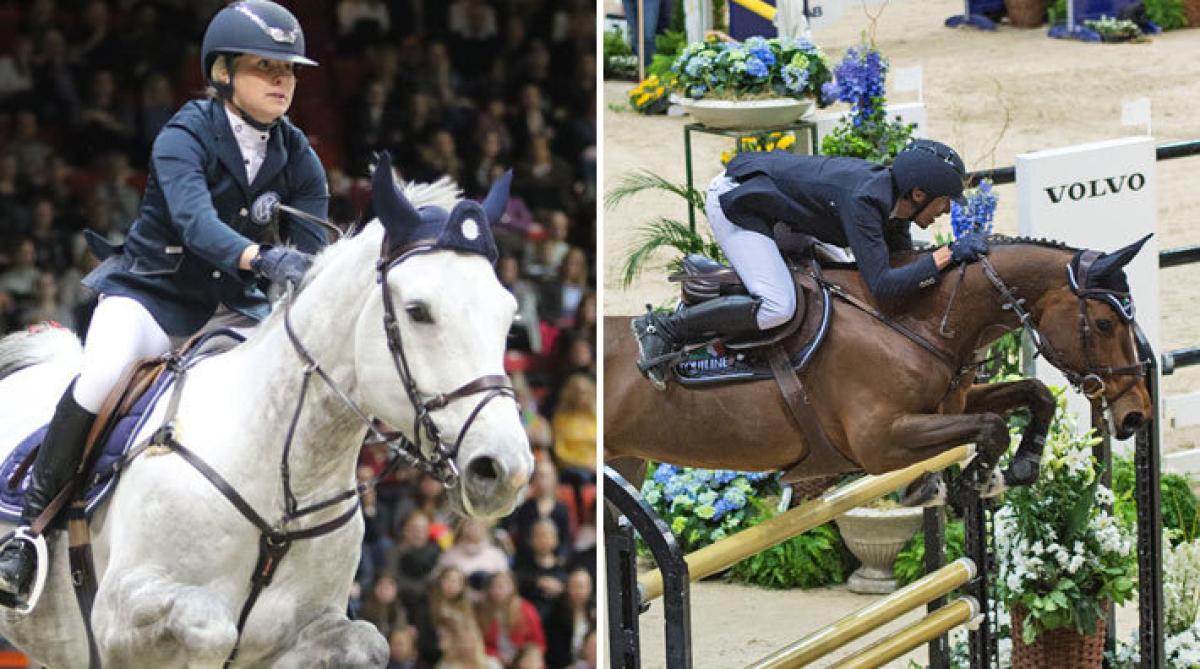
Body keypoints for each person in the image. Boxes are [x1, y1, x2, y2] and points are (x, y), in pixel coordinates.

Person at [0, 0, 329, 601]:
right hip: (152, 297)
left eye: (289, 70)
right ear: (223, 72)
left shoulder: (298, 154)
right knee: (100, 376)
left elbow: (311, 248)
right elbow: (196, 225)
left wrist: (307, 279)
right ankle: (27, 531)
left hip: (232, 311)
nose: (283, 80)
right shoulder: (185, 134)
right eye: (266, 66)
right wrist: (263, 259)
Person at [633, 139, 990, 387]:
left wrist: (943, 262)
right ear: (918, 194)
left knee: (842, 286)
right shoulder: (866, 201)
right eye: (945, 201)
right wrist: (947, 254)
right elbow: (883, 286)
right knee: (778, 306)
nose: (947, 211)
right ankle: (664, 329)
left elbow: (899, 267)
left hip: (788, 211)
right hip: (741, 201)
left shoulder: (896, 207)